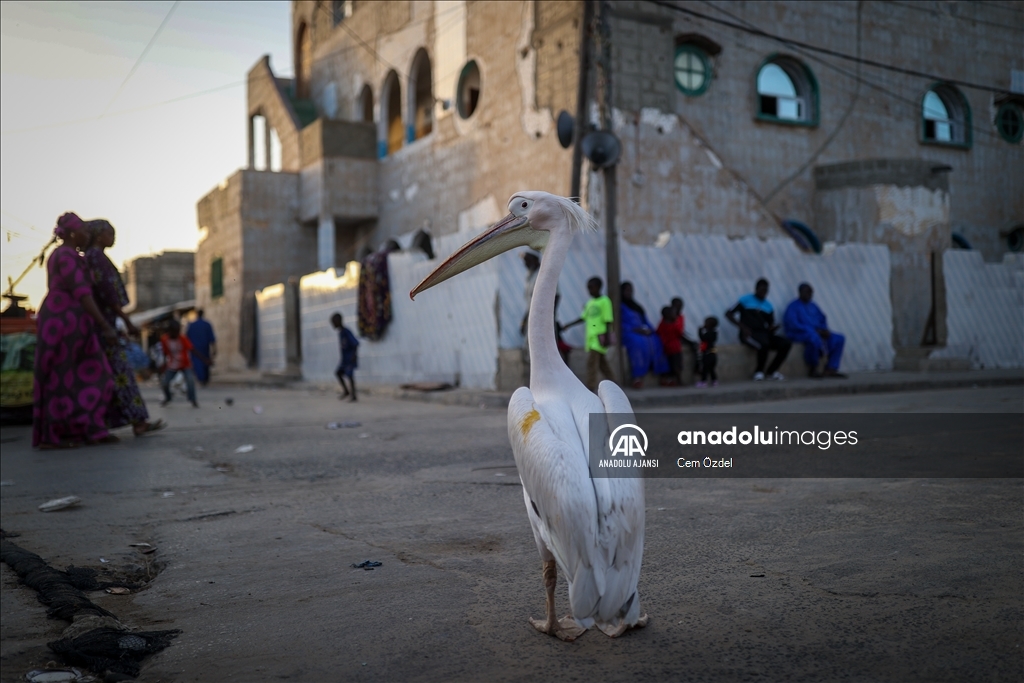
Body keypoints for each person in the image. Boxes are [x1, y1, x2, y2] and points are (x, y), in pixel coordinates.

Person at [32, 212, 118, 449]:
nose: (87, 234)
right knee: (65, 378)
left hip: (67, 319)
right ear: (72, 233)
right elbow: (82, 293)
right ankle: (60, 435)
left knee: (71, 377)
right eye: (83, 230)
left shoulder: (64, 255)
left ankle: (84, 429)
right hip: (64, 320)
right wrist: (104, 325)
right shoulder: (66, 256)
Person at [84, 219, 164, 436]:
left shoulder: (93, 257)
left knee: (109, 376)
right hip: (104, 326)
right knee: (121, 374)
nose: (114, 237)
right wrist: (127, 321)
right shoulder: (97, 258)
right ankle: (138, 421)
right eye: (110, 233)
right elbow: (109, 296)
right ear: (100, 235)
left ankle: (117, 422)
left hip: (101, 325)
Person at [726, 278, 791, 381]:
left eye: (766, 291)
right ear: (756, 289)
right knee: (763, 344)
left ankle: (771, 372)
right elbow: (728, 313)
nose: (763, 293)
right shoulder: (745, 300)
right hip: (748, 334)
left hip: (763, 333)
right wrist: (742, 327)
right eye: (761, 290)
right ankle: (758, 372)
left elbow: (770, 325)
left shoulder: (768, 306)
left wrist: (772, 328)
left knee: (785, 344)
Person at [783, 283, 847, 378]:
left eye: (811, 292)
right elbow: (793, 324)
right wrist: (814, 331)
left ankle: (831, 369)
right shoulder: (793, 306)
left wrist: (824, 330)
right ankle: (813, 368)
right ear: (800, 292)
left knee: (839, 338)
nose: (809, 294)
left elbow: (822, 318)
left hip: (817, 332)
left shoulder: (813, 306)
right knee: (814, 338)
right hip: (799, 333)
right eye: (807, 292)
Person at [562, 277, 614, 392]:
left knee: (591, 363)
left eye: (592, 288)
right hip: (590, 338)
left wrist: (606, 337)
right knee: (602, 364)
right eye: (588, 288)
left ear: (599, 287)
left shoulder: (605, 301)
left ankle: (590, 387)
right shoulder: (590, 303)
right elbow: (583, 318)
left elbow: (608, 320)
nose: (590, 291)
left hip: (599, 337)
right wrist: (568, 325)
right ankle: (613, 383)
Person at [619, 281, 668, 389]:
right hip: (629, 332)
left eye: (631, 290)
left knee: (656, 340)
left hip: (642, 331)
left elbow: (645, 321)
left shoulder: (637, 306)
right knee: (638, 343)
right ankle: (637, 377)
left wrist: (649, 330)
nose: (629, 293)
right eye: (627, 290)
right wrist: (635, 329)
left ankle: (662, 375)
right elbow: (619, 324)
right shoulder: (619, 307)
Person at [159, 319, 210, 407]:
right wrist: (164, 364)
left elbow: (192, 349)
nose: (176, 334)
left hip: (185, 364)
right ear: (170, 331)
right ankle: (168, 397)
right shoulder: (164, 340)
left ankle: (193, 399)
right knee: (165, 383)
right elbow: (164, 353)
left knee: (190, 381)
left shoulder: (182, 338)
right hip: (172, 364)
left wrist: (204, 359)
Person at [331, 313, 359, 401]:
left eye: (334, 322)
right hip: (344, 360)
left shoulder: (346, 332)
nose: (333, 325)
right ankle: (346, 391)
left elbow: (355, 343)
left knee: (350, 376)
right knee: (338, 373)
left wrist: (354, 355)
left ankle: (353, 395)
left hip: (349, 358)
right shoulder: (341, 333)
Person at [186, 309, 216, 386]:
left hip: (195, 349)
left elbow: (187, 338)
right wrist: (214, 349)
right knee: (204, 363)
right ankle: (204, 379)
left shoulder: (192, 325)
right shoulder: (207, 324)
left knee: (198, 364)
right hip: (204, 348)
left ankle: (202, 379)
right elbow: (212, 338)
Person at [657, 306, 683, 386]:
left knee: (669, 365)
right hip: (675, 349)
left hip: (666, 348)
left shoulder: (662, 324)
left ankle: (668, 380)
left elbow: (658, 332)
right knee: (677, 366)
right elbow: (679, 333)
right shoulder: (674, 325)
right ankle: (678, 381)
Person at [696, 316, 720, 387]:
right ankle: (714, 381)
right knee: (712, 369)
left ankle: (703, 382)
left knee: (705, 369)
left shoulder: (708, 333)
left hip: (707, 354)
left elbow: (703, 338)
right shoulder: (715, 333)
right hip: (713, 353)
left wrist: (699, 331)